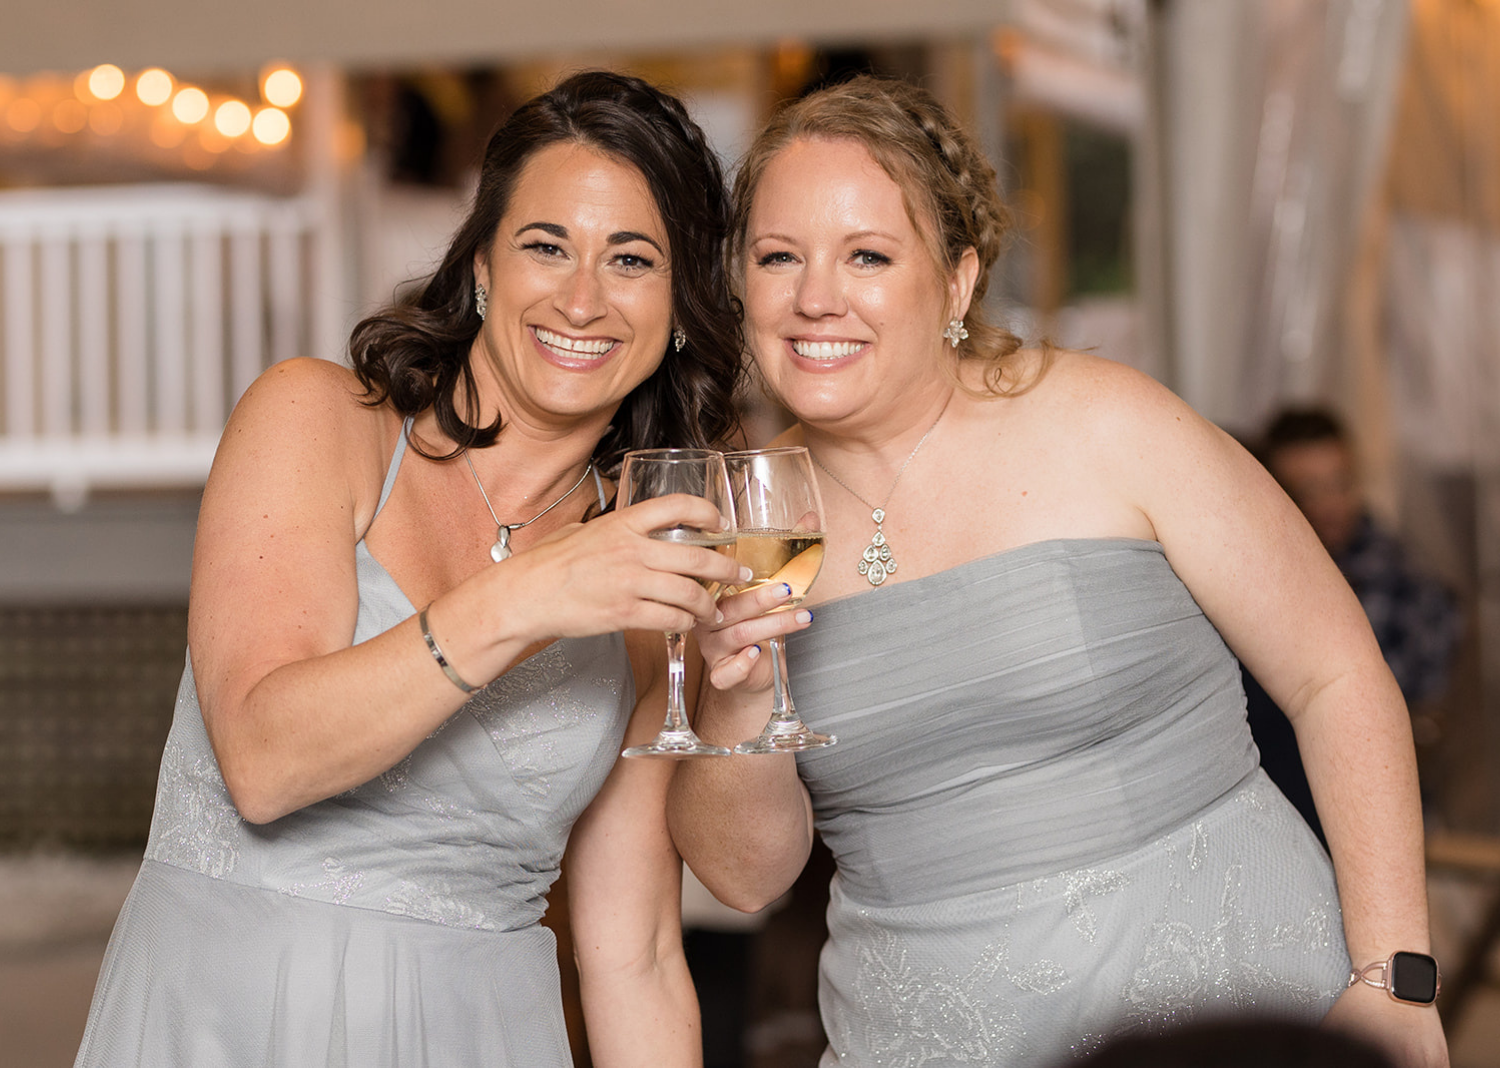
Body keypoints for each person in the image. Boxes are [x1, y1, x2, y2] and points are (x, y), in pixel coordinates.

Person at [668, 76, 1447, 1068]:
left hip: (1232, 1005)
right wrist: (734, 708)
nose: (816, 297)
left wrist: (1393, 977)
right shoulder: (738, 519)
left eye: (868, 254)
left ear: (956, 280)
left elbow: (1338, 675)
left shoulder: (1108, 422)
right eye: (780, 257)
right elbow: (744, 882)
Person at [74, 70, 746, 1068]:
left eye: (633, 259)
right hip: (225, 1019)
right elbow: (263, 764)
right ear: (481, 263)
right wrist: (526, 596)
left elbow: (635, 956)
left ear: (681, 307)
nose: (581, 297)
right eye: (546, 244)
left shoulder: (645, 576)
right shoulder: (316, 421)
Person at [1243, 408, 1461, 844]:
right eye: (1307, 490)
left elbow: (1381, 716)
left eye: (1341, 483)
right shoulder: (1260, 571)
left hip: (1365, 802)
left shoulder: (1394, 580)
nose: (1330, 504)